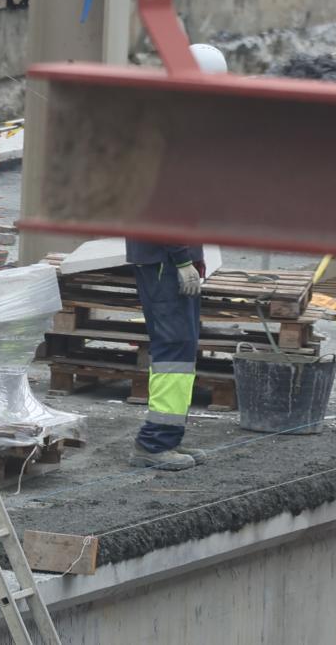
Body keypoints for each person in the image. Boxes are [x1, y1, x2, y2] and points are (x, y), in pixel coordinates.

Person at [128, 42, 226, 472]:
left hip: (169, 253)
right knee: (174, 348)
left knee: (181, 346)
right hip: (166, 256)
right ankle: (155, 442)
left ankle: (167, 435)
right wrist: (182, 256)